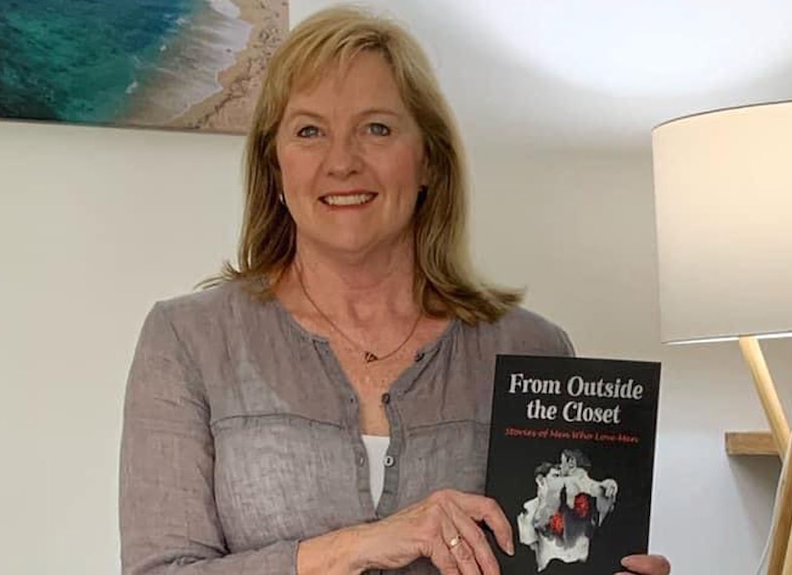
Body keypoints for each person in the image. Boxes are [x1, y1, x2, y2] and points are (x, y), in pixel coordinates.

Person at [119, 6, 672, 575]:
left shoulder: (534, 350)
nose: (342, 162)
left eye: (377, 128)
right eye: (309, 131)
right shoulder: (189, 340)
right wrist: (359, 545)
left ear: (429, 158)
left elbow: (560, 553)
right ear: (274, 166)